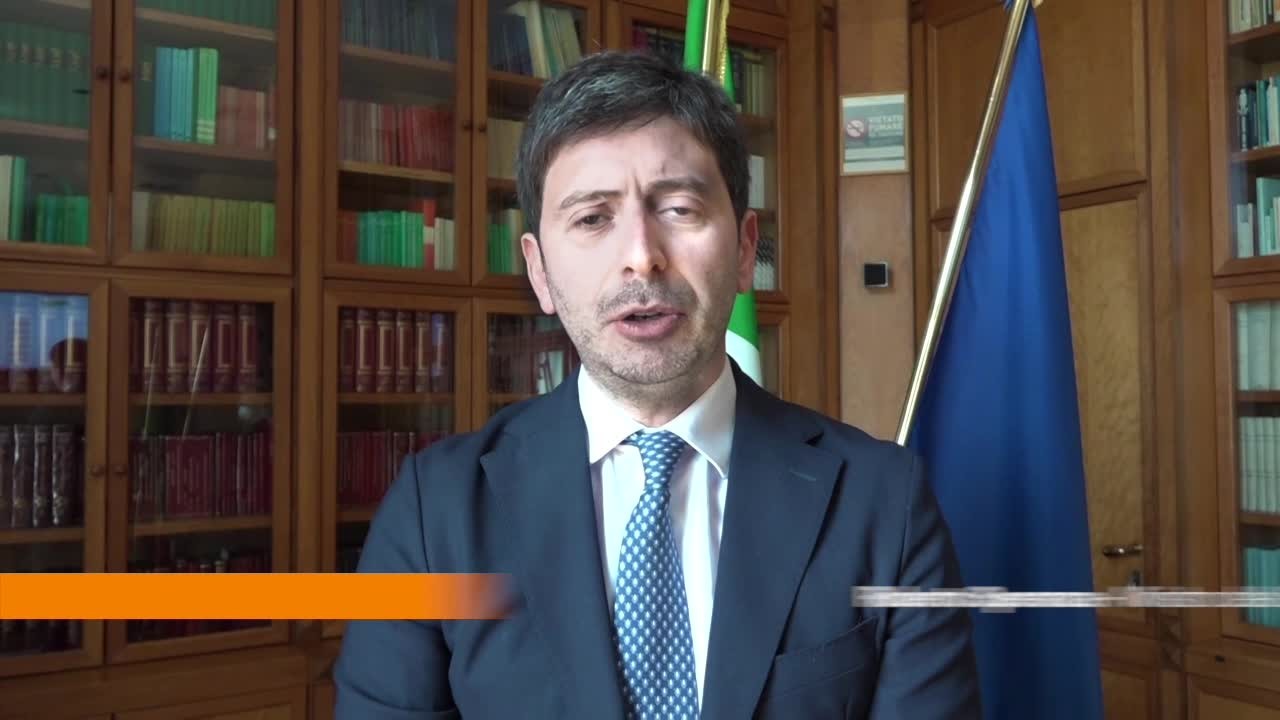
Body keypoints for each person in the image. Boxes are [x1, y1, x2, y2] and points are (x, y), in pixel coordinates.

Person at [333, 50, 982, 719]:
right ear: (540, 272)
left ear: (744, 250)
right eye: (592, 218)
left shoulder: (885, 504)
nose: (641, 256)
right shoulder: (433, 512)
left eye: (677, 208)